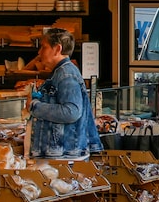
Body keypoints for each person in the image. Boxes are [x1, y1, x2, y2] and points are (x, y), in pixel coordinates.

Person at [28, 28, 103, 160]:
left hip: (64, 155)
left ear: (57, 49)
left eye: (43, 47)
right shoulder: (62, 72)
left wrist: (35, 106)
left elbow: (71, 111)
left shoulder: (66, 74)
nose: (39, 52)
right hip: (64, 153)